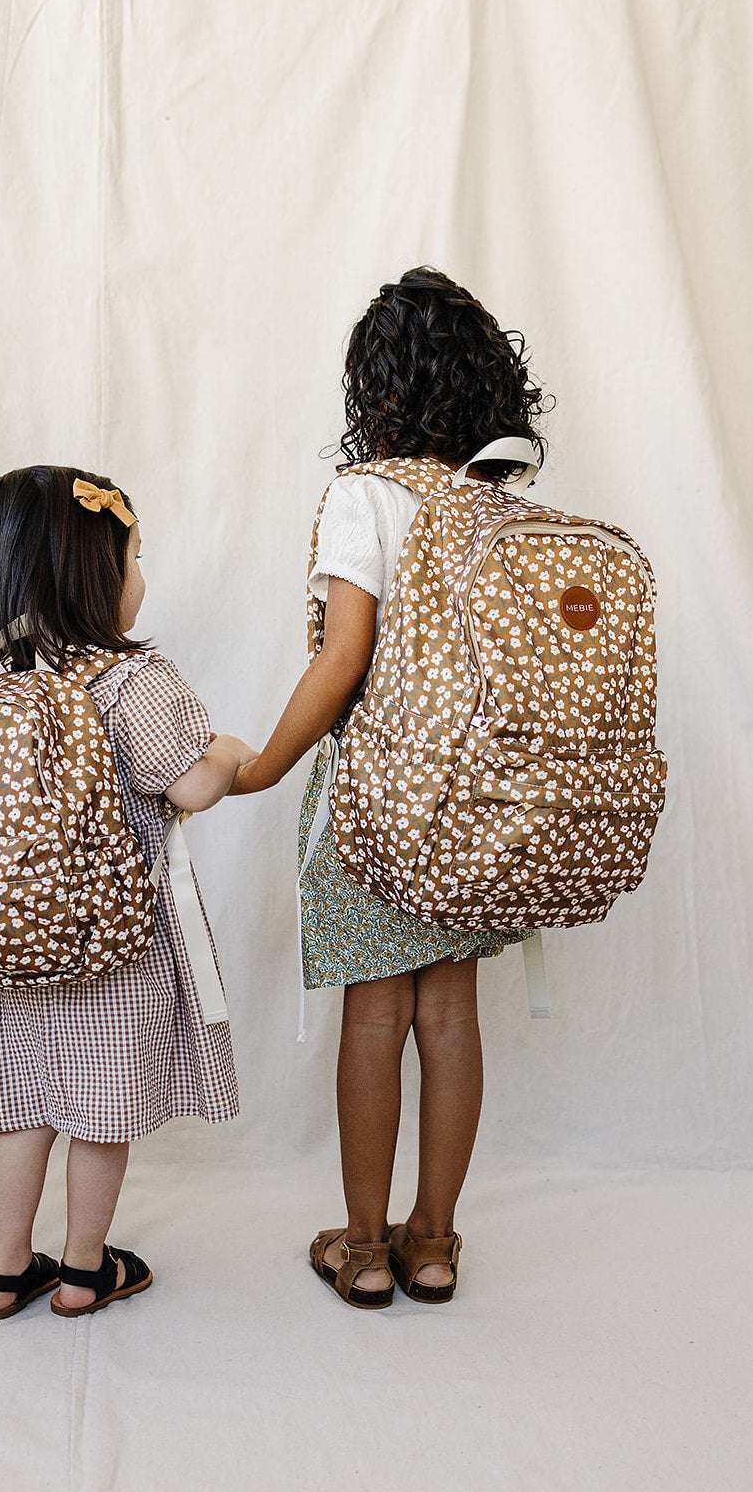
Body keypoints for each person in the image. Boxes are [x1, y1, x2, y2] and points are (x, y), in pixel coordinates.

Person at [230, 268, 547, 1308]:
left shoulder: (364, 496)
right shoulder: (496, 504)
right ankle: (435, 1241)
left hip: (377, 802)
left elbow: (342, 658)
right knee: (449, 1014)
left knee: (375, 1015)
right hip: (474, 807)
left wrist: (265, 764)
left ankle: (364, 1246)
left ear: (376, 389)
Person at [0, 466, 255, 1320]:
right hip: (113, 944)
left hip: (15, 940)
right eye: (135, 556)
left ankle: (4, 1269)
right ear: (96, 571)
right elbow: (189, 786)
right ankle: (86, 1270)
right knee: (98, 1112)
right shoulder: (132, 677)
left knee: (27, 1111)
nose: (142, 576)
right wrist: (228, 749)